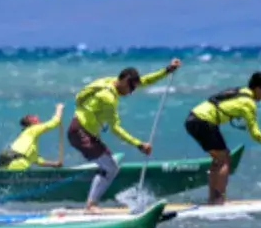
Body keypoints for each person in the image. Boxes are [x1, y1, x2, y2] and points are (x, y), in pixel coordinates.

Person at [69, 58, 181, 210]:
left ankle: (91, 202)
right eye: (131, 89)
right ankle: (91, 205)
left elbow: (144, 81)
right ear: (125, 80)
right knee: (110, 168)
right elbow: (115, 129)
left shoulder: (109, 80)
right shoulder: (108, 98)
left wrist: (167, 70)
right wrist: (138, 144)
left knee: (109, 167)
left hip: (82, 130)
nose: (131, 93)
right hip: (81, 132)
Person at [185, 71, 261, 205]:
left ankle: (213, 199)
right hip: (204, 121)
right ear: (258, 89)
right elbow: (255, 133)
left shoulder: (243, 90)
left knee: (219, 158)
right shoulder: (248, 104)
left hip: (192, 119)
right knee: (224, 158)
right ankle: (218, 200)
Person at [0, 103, 64, 171]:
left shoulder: (27, 138)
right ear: (32, 122)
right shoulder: (33, 129)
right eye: (33, 117)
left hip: (6, 164)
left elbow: (38, 161)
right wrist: (59, 108)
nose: (37, 117)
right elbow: (54, 122)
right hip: (18, 164)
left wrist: (55, 164)